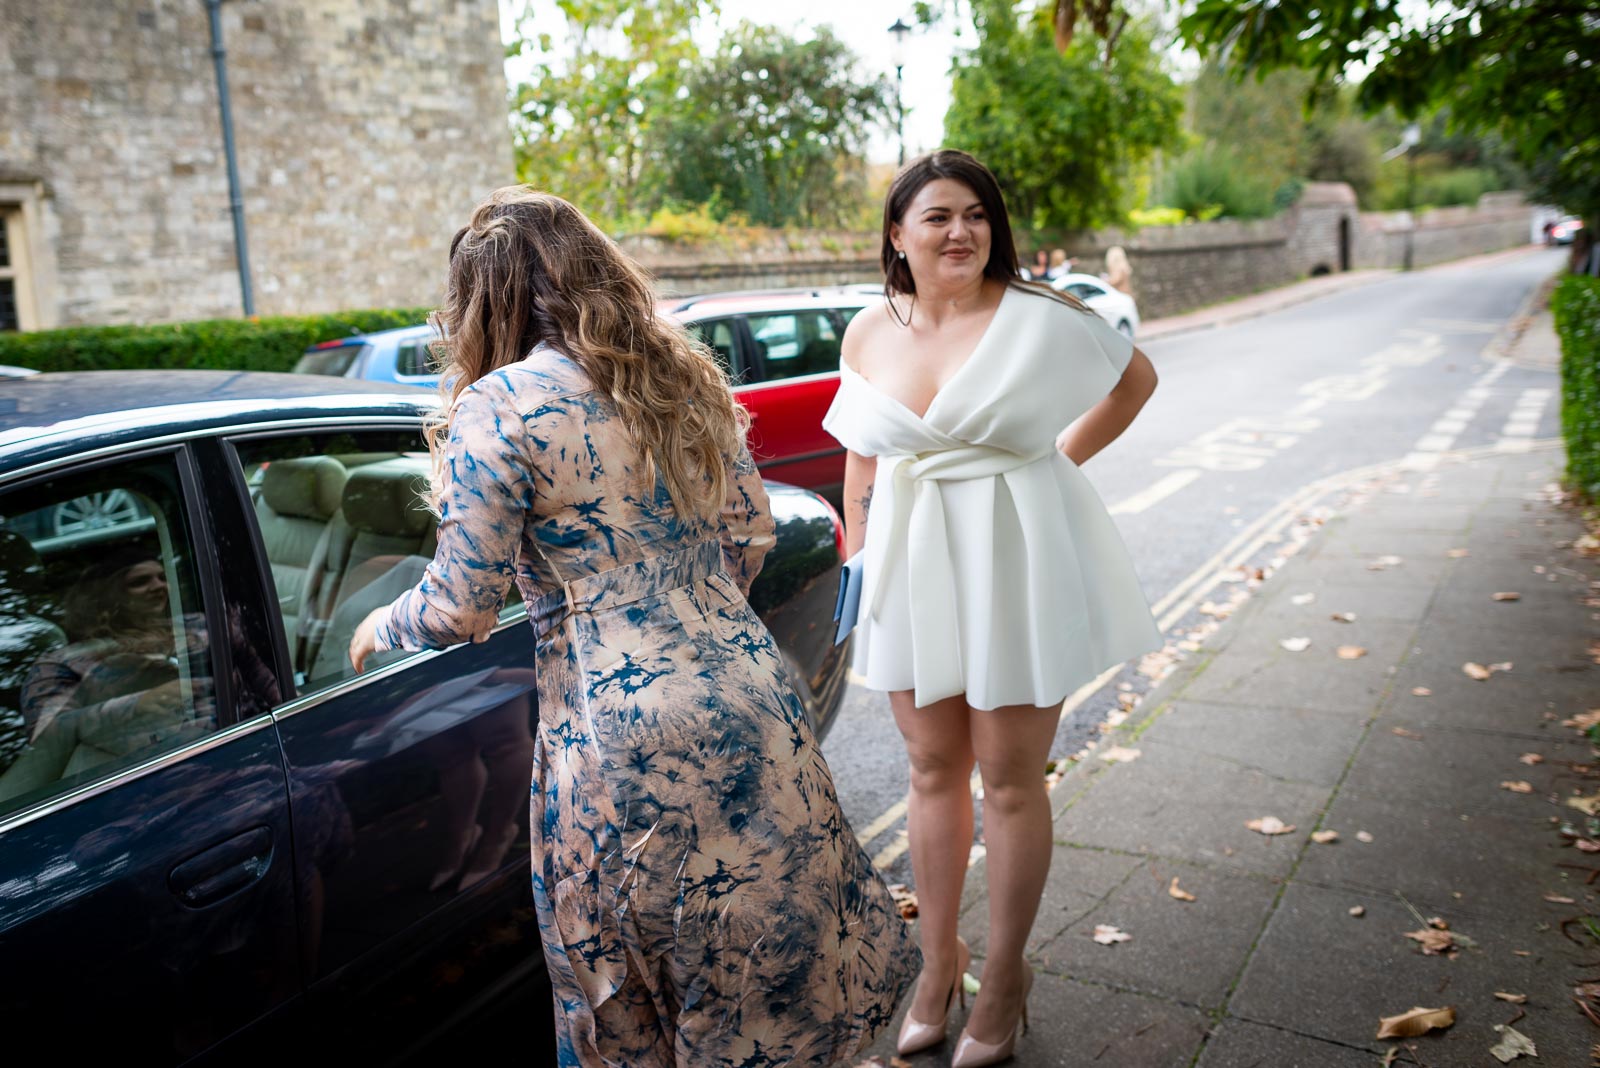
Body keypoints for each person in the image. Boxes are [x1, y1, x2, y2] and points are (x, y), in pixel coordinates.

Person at [347, 187, 919, 1067]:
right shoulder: (679, 375)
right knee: (767, 968)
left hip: (623, 745)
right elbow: (749, 534)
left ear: (482, 300)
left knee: (632, 988)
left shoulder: (498, 406)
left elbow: (461, 605)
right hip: (754, 694)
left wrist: (379, 626)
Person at [822, 150, 1161, 1067]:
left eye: (976, 213)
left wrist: (1052, 475)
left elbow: (1135, 382)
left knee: (1010, 780)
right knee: (930, 770)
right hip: (909, 562)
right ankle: (939, 966)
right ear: (898, 234)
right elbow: (860, 457)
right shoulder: (867, 331)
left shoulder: (1042, 316)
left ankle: (1004, 977)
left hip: (1011, 557)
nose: (960, 230)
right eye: (937, 216)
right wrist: (861, 557)